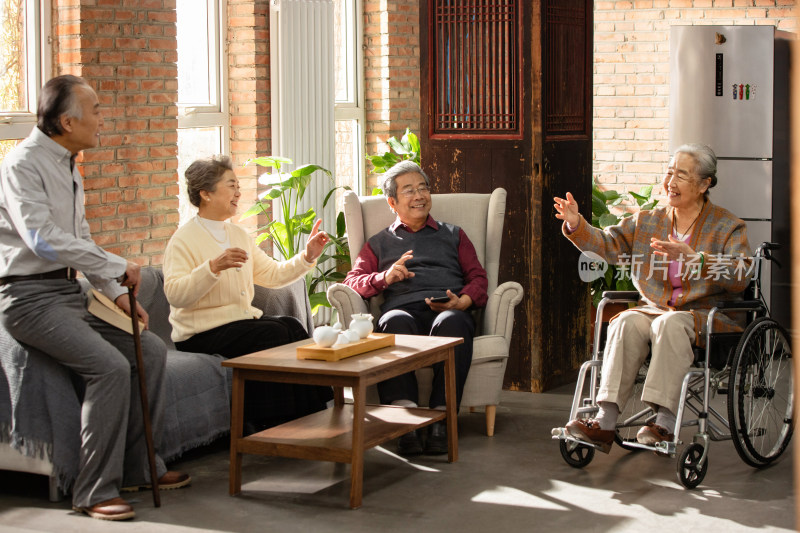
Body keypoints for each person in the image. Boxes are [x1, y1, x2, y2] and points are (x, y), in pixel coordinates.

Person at [0, 75, 189, 521]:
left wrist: (115, 294)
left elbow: (80, 239)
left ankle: (140, 466)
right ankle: (93, 490)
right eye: (97, 111)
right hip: (28, 299)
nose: (103, 118)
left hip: (68, 291)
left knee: (150, 349)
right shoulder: (22, 165)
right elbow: (43, 240)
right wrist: (114, 265)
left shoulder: (68, 162)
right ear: (67, 121)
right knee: (107, 367)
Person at [553, 143, 752, 452]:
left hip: (704, 317)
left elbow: (741, 276)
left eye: (681, 175)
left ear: (704, 184)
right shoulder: (648, 221)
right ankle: (604, 423)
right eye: (669, 172)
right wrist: (577, 225)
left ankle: (664, 424)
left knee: (669, 325)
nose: (670, 182)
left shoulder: (727, 226)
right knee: (626, 321)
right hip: (655, 310)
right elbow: (607, 245)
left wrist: (697, 260)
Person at [163, 156, 333, 432]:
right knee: (272, 333)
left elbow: (274, 275)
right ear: (205, 194)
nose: (239, 193)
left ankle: (313, 415)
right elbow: (175, 295)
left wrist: (307, 256)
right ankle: (267, 423)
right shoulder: (183, 240)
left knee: (291, 325)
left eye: (238, 186)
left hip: (236, 325)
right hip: (199, 334)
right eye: (231, 186)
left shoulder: (238, 234)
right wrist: (212, 268)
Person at [343, 160, 488, 456]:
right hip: (404, 310)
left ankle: (441, 418)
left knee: (455, 321)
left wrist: (465, 300)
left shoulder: (454, 234)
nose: (419, 195)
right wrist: (384, 277)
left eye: (423, 188)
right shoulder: (379, 243)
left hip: (447, 307)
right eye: (409, 190)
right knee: (392, 320)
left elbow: (478, 277)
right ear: (392, 202)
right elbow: (353, 281)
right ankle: (405, 417)